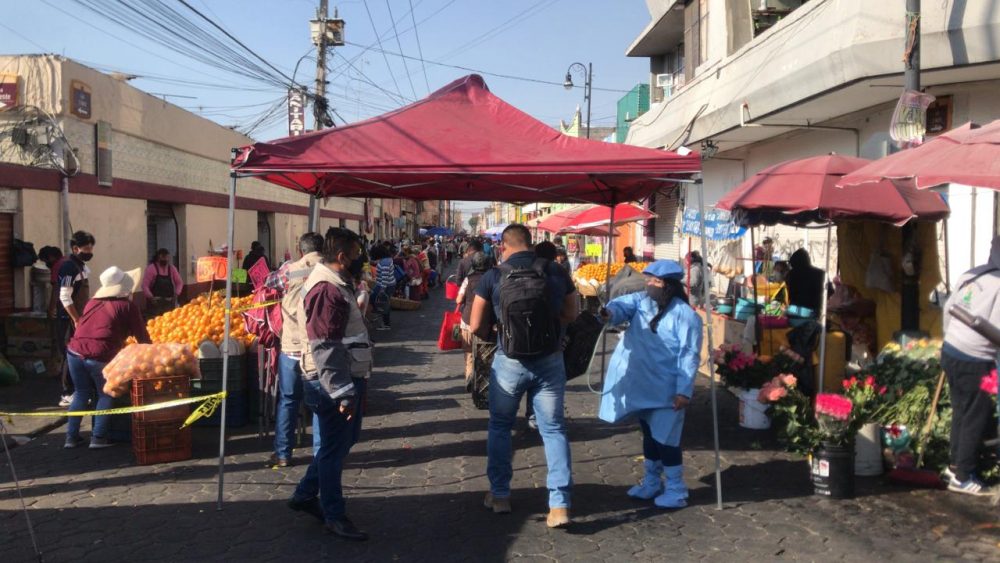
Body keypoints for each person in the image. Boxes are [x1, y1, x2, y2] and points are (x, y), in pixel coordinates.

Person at [470, 224, 578, 528]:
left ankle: (500, 494)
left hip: (509, 362)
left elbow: (476, 324)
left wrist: (499, 328)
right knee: (553, 429)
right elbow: (572, 314)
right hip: (549, 360)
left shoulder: (494, 275)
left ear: (503, 245)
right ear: (531, 244)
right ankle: (559, 505)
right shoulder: (555, 271)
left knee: (501, 426)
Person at [598, 260, 702, 508]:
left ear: (667, 285)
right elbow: (622, 306)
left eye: (654, 281)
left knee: (667, 440)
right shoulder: (643, 302)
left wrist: (684, 391)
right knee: (649, 435)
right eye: (648, 279)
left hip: (668, 389)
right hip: (642, 384)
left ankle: (676, 489)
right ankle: (652, 481)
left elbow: (689, 355)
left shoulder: (686, 316)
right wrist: (608, 312)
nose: (649, 284)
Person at [289, 227, 369, 541]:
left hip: (344, 377)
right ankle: (334, 514)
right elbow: (324, 344)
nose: (359, 260)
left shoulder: (338, 283)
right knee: (334, 449)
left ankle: (305, 493)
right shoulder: (327, 289)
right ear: (340, 257)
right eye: (355, 255)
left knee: (342, 443)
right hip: (333, 382)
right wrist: (342, 391)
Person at [64, 266, 150, 449]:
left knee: (81, 394)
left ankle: (71, 438)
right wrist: (153, 353)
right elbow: (142, 338)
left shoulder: (91, 303)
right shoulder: (127, 306)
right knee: (106, 394)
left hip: (74, 352)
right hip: (99, 355)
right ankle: (98, 438)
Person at [941, 236, 1000, 495]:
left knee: (960, 410)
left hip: (951, 349)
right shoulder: (999, 284)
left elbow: (948, 310)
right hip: (976, 359)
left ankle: (954, 466)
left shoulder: (972, 274)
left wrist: (950, 340)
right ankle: (963, 475)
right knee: (975, 416)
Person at [269, 232, 325, 468]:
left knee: (289, 400)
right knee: (321, 405)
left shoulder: (289, 270)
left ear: (301, 251)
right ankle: (321, 456)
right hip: (320, 348)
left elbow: (268, 283)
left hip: (292, 347)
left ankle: (283, 453)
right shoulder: (331, 269)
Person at [56, 231, 96, 407]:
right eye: (86, 248)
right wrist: (76, 319)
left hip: (80, 317)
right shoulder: (69, 267)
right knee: (69, 355)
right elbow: (65, 297)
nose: (89, 251)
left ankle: (79, 390)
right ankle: (67, 393)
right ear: (75, 248)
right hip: (68, 319)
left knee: (78, 354)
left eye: (91, 248)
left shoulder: (81, 266)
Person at [458, 252, 490, 392]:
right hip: (486, 320)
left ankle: (469, 375)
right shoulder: (492, 278)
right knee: (486, 353)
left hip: (468, 319)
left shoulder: (468, 279)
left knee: (468, 351)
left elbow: (458, 300)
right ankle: (483, 381)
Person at [142, 249, 184, 318]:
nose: (165, 259)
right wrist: (151, 297)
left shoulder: (172, 268)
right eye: (163, 257)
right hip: (155, 303)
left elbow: (179, 283)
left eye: (167, 257)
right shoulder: (151, 268)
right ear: (158, 257)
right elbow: (144, 285)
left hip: (169, 302)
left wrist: (176, 294)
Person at [372, 246, 396, 330]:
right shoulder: (387, 259)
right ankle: (382, 319)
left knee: (384, 304)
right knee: (383, 303)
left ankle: (386, 324)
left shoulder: (384, 262)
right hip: (388, 284)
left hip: (385, 286)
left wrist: (382, 290)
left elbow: (385, 277)